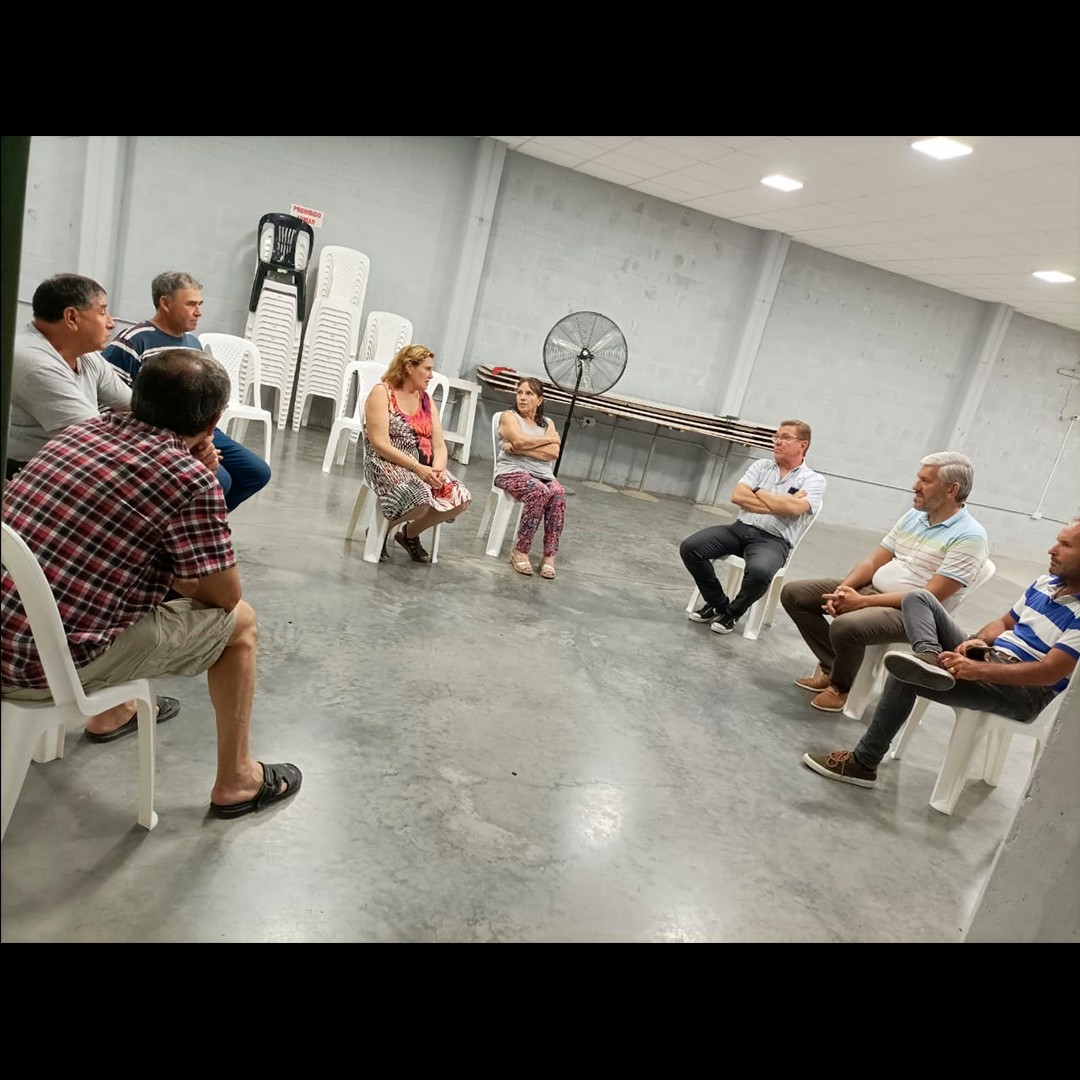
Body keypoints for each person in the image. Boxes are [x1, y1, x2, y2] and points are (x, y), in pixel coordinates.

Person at [1, 349, 301, 819]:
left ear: (136, 395)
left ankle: (114, 710)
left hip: (14, 629)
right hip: (36, 670)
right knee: (240, 624)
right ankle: (238, 779)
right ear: (214, 420)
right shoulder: (189, 479)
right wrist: (199, 480)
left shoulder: (80, 432)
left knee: (136, 582)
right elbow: (224, 596)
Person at [802, 519, 1079, 790]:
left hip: (1024, 691)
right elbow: (1005, 623)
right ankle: (928, 655)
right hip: (990, 656)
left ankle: (864, 763)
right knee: (919, 598)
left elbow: (1050, 672)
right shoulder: (1046, 583)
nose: (1052, 550)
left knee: (907, 673)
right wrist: (979, 641)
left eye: (1065, 545)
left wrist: (977, 670)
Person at [780, 452, 989, 713]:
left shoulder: (970, 537)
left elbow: (930, 596)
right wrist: (844, 590)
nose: (915, 486)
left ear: (951, 489)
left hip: (913, 614)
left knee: (845, 626)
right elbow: (873, 563)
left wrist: (861, 602)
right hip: (873, 592)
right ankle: (834, 665)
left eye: (925, 481)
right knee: (794, 595)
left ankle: (841, 687)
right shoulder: (914, 516)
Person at [101, 270, 271, 512]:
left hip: (198, 428)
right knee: (221, 480)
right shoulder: (133, 342)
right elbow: (107, 399)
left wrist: (205, 437)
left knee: (256, 472)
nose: (198, 312)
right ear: (165, 303)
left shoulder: (194, 344)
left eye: (200, 304)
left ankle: (206, 521)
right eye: (191, 304)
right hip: (160, 433)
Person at [681, 420, 825, 635]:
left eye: (785, 437)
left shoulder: (813, 480)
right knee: (691, 548)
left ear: (802, 445)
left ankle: (733, 613)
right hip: (738, 529)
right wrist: (781, 504)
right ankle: (717, 603)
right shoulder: (761, 466)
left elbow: (795, 510)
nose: (777, 442)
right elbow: (738, 496)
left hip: (773, 540)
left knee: (760, 572)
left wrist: (757, 491)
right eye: (776, 437)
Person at [7, 273, 133, 480]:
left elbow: (135, 407)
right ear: (72, 318)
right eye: (102, 312)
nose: (111, 323)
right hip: (27, 475)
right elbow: (93, 439)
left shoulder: (87, 355)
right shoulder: (34, 362)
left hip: (67, 464)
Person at [363, 344, 471, 563]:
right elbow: (379, 443)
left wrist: (438, 470)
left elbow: (439, 445)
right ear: (409, 367)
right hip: (386, 461)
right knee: (420, 499)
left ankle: (410, 534)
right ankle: (379, 531)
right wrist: (416, 468)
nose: (431, 375)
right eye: (427, 369)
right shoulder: (382, 393)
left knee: (461, 498)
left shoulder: (426, 400)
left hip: (424, 465)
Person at [495, 377, 566, 578]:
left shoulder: (548, 423)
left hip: (542, 473)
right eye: (519, 393)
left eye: (529, 393)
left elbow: (553, 452)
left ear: (539, 400)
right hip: (511, 471)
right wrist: (546, 439)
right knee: (539, 491)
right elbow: (518, 439)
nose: (522, 397)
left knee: (558, 494)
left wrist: (520, 449)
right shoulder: (509, 417)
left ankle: (549, 557)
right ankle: (520, 551)